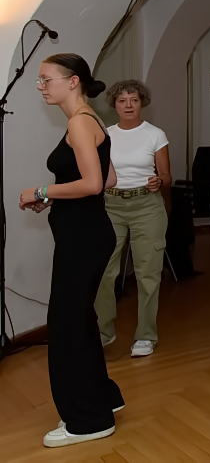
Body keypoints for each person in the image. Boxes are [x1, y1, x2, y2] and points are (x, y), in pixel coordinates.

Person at [19, 53, 124, 447]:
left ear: (73, 81)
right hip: (87, 234)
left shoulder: (80, 122)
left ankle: (87, 420)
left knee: (65, 327)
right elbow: (109, 177)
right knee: (79, 321)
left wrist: (41, 190)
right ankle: (103, 398)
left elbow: (95, 184)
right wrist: (55, 198)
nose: (41, 86)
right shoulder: (89, 120)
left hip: (83, 238)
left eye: (47, 79)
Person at [94, 79, 171, 357]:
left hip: (147, 206)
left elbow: (166, 177)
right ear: (114, 104)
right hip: (111, 205)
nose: (128, 105)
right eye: (122, 100)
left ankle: (146, 335)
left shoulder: (155, 134)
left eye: (134, 100)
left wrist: (158, 181)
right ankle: (104, 332)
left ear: (142, 103)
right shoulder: (104, 135)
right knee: (104, 271)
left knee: (147, 273)